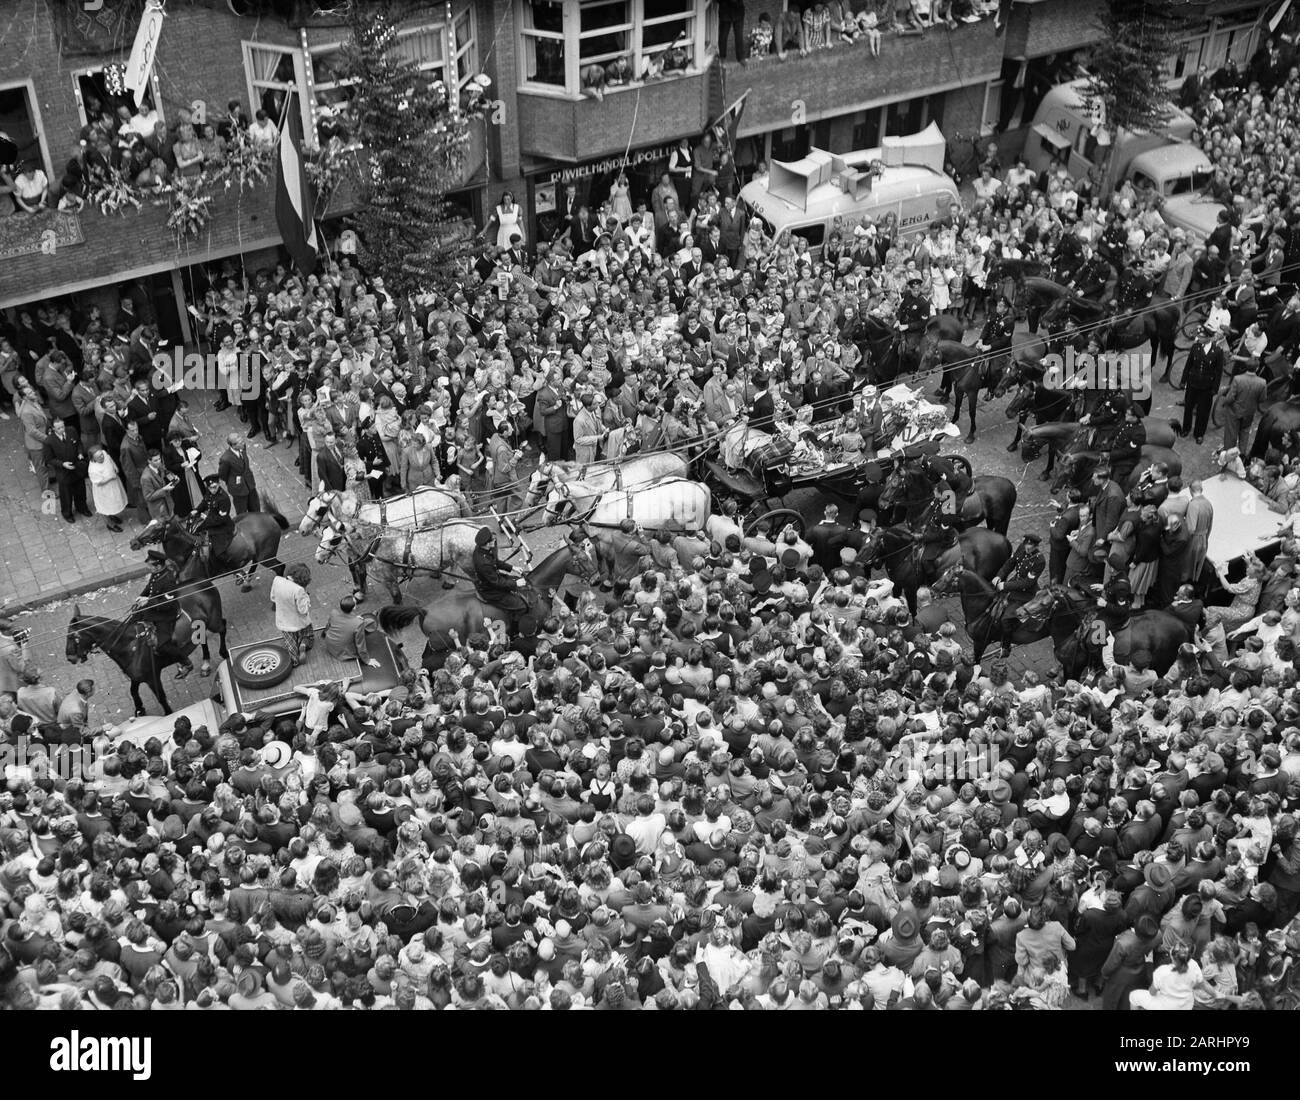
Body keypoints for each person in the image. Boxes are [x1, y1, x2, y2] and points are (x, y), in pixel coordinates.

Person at [131, 550, 193, 677]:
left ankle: (186, 663)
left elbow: (166, 604)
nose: (149, 569)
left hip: (166, 614)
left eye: (150, 566)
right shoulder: (157, 573)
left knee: (162, 645)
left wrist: (148, 600)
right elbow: (151, 587)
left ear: (158, 566)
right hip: (154, 606)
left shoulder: (169, 580)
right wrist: (141, 596)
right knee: (133, 618)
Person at [471, 527, 529, 633]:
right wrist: (515, 583)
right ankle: (514, 630)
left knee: (518, 580)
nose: (495, 541)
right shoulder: (482, 562)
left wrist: (512, 568)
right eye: (492, 540)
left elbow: (496, 562)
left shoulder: (484, 549)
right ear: (487, 544)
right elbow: (496, 583)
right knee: (521, 607)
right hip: (490, 590)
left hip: (494, 579)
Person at [41, 416, 90, 525]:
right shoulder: (49, 441)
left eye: (62, 427)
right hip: (63, 472)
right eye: (58, 428)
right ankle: (67, 513)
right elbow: (49, 459)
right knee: (66, 494)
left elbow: (78, 444)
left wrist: (80, 453)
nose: (62, 429)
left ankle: (82, 508)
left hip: (76, 466)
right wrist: (63, 464)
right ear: (53, 429)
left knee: (80, 490)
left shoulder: (71, 430)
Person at [271, 563, 315, 667]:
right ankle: (304, 643)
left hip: (284, 622)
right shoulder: (299, 590)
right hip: (299, 622)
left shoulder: (277, 580)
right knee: (309, 636)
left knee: (290, 644)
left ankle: (294, 660)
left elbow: (273, 598)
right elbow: (303, 610)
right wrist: (307, 598)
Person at [191, 473, 236, 571]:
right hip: (210, 520)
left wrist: (206, 518)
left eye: (215, 487)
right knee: (194, 533)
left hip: (222, 526)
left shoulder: (224, 498)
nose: (213, 490)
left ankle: (234, 568)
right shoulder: (209, 492)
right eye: (210, 488)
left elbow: (221, 519)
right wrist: (197, 510)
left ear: (219, 484)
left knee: (218, 551)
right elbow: (205, 502)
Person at [321, 596, 380, 668]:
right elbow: (360, 644)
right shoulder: (358, 623)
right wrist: (367, 660)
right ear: (354, 608)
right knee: (368, 623)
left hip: (330, 645)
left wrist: (355, 618)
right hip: (342, 653)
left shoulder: (334, 612)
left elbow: (328, 626)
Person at [217, 431, 260, 515]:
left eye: (242, 440)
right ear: (233, 445)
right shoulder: (226, 459)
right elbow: (222, 475)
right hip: (238, 489)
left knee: (255, 508)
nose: (243, 443)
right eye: (240, 443)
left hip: (249, 483)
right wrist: (232, 480)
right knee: (242, 512)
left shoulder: (242, 447)